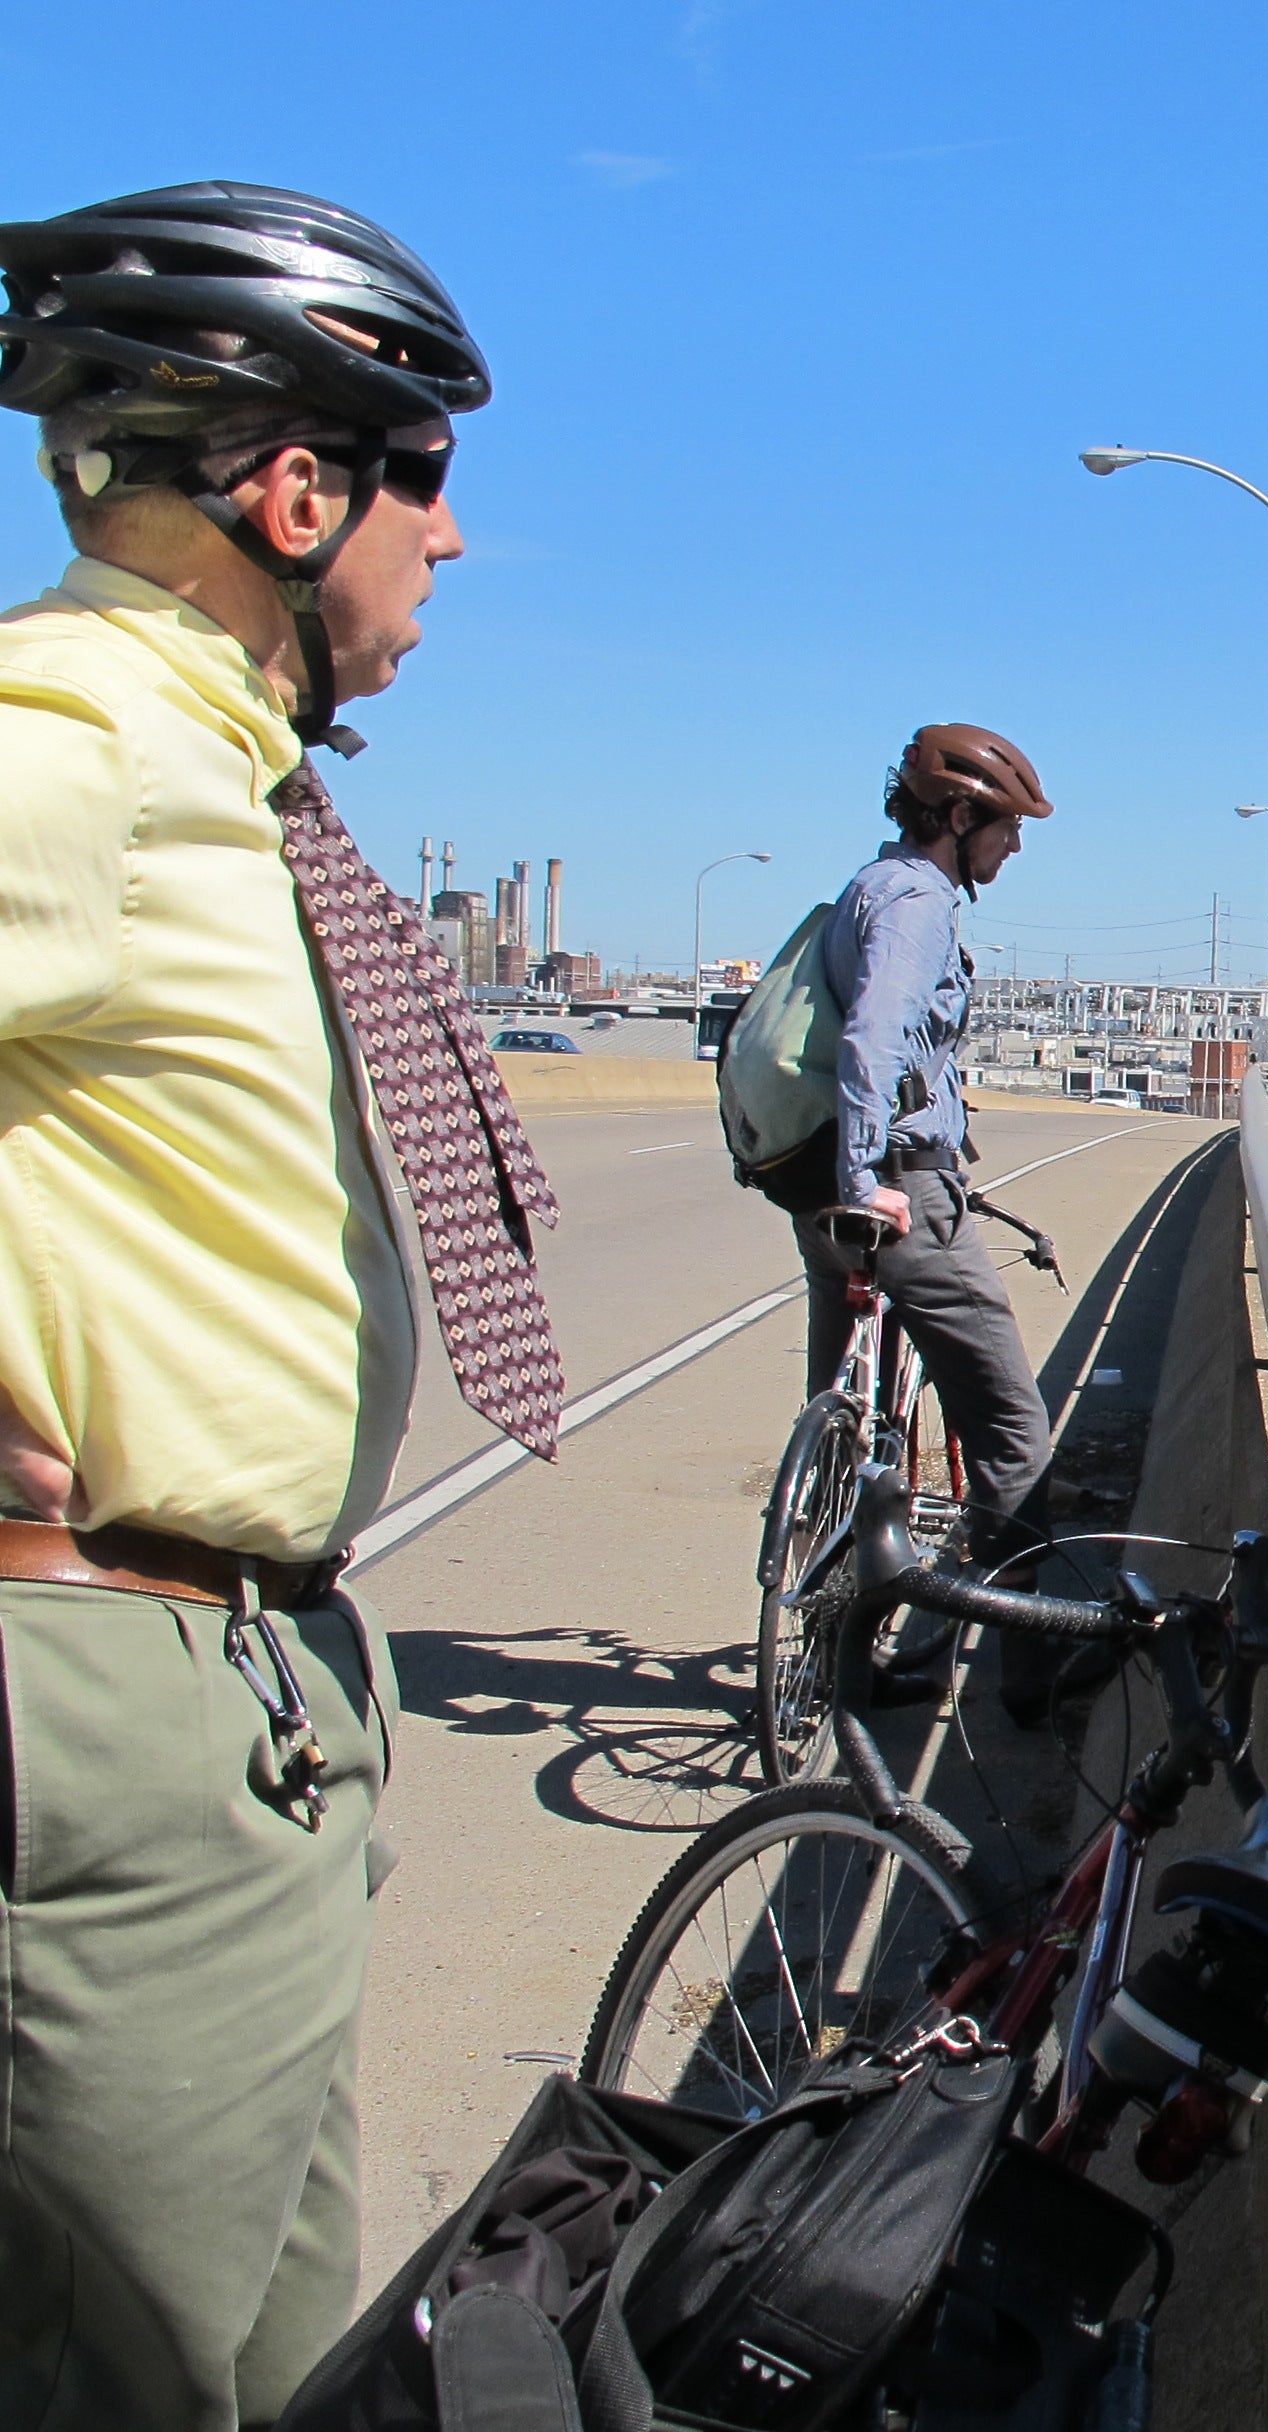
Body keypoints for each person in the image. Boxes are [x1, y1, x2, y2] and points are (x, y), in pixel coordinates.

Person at [0, 185, 560, 2431]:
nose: (451, 540)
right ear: (292, 487)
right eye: (422, 477)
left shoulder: (219, 778)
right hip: (113, 1687)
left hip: (247, 1681)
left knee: (272, 2362)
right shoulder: (84, 743)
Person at [797, 725, 1065, 1712]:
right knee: (1016, 1438)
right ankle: (1025, 1677)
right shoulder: (919, 901)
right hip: (898, 1197)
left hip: (829, 1192)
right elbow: (873, 1034)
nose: (1014, 848)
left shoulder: (869, 884)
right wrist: (873, 1173)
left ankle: (833, 1641)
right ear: (958, 818)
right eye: (1005, 827)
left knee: (848, 1420)